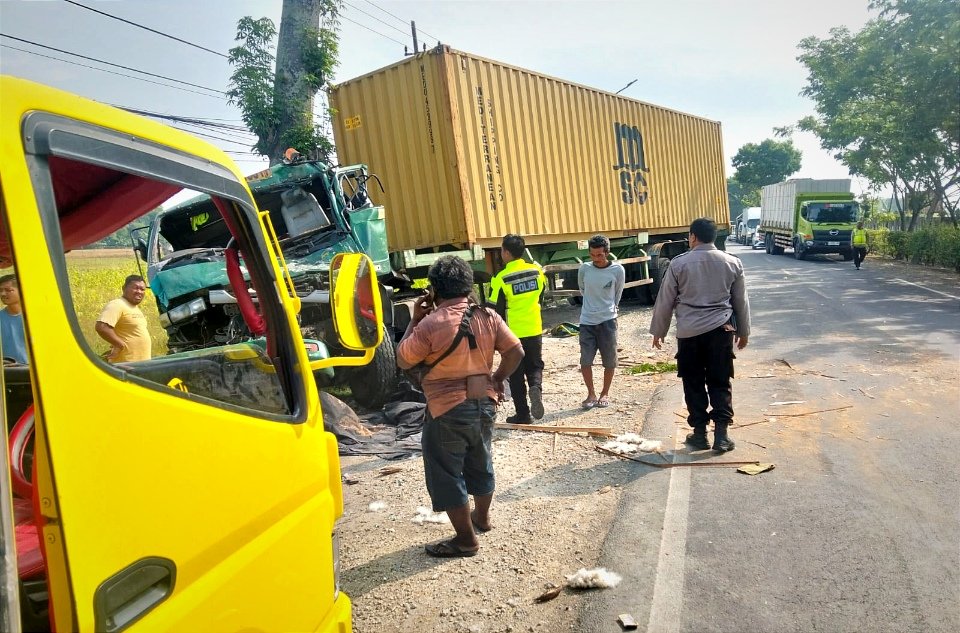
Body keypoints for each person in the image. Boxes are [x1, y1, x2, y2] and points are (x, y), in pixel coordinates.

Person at [397, 255, 524, 558]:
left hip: (446, 408)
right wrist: (496, 379)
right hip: (484, 403)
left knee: (446, 472)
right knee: (481, 459)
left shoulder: (430, 324)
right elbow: (515, 351)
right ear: (467, 284)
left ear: (434, 289)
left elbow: (403, 358)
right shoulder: (488, 316)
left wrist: (415, 318)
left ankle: (466, 540)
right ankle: (482, 517)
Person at [650, 218, 751, 452]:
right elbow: (740, 302)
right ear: (714, 237)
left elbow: (665, 300)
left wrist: (658, 331)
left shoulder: (678, 263)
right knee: (720, 381)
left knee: (693, 382)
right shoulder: (732, 262)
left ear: (693, 236)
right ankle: (722, 436)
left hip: (689, 333)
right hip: (721, 331)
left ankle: (699, 434)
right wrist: (744, 332)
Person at [488, 234, 547, 424]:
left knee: (515, 373)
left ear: (506, 252)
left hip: (512, 333)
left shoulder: (501, 278)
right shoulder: (537, 271)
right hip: (534, 327)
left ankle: (523, 414)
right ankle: (536, 387)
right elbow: (541, 295)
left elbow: (493, 308)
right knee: (535, 365)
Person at [578, 234, 625, 409]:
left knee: (609, 360)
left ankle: (605, 393)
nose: (596, 259)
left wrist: (608, 309)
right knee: (585, 360)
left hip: (608, 321)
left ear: (607, 253)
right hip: (587, 321)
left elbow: (617, 294)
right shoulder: (584, 269)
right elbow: (582, 289)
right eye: (592, 255)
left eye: (600, 255)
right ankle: (591, 393)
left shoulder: (617, 270)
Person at [96, 274, 152, 362]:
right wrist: (119, 344)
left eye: (142, 289)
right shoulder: (117, 304)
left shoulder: (134, 307)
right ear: (124, 288)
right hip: (126, 365)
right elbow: (102, 327)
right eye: (135, 288)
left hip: (141, 364)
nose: (139, 291)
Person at [0, 274, 28, 364]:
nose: (2, 294)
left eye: (8, 290)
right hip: (6, 373)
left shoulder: (34, 319)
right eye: (0, 290)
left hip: (30, 372)